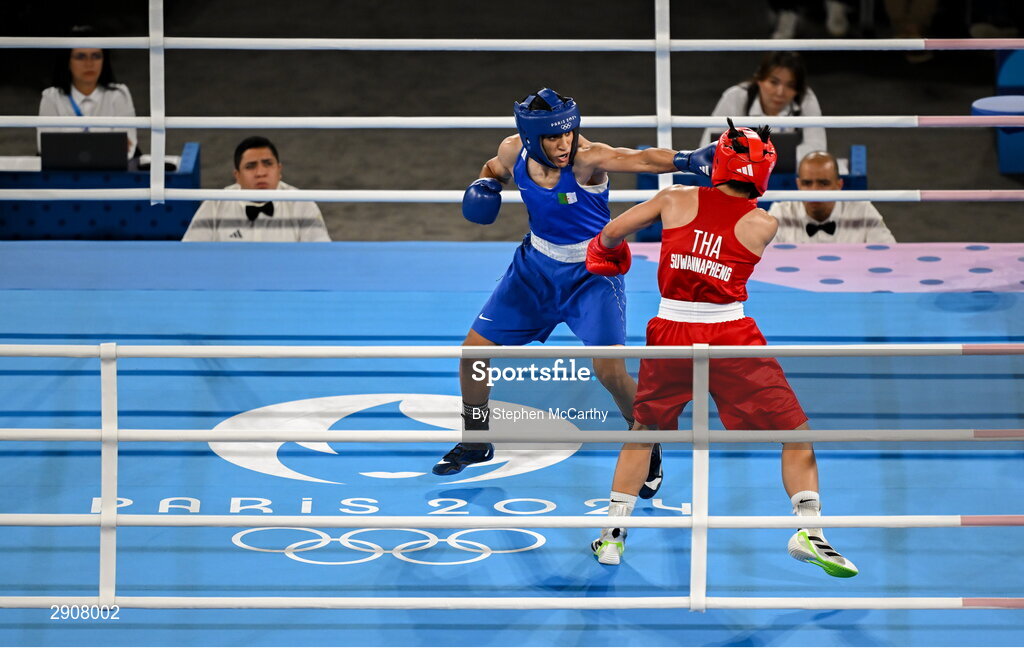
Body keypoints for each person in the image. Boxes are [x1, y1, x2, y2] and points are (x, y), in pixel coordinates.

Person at [585, 119, 857, 578]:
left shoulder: (674, 198)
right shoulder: (763, 223)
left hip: (671, 330)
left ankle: (613, 536)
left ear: (717, 160)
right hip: (730, 335)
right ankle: (811, 529)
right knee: (796, 433)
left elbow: (611, 233)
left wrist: (607, 255)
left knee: (643, 430)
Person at [433, 88, 716, 492]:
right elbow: (494, 167)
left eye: (567, 133)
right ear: (532, 138)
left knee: (611, 372)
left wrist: (686, 160)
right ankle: (476, 439)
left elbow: (638, 158)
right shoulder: (514, 151)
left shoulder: (587, 159)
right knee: (473, 354)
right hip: (533, 272)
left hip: (592, 276)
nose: (564, 144)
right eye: (552, 137)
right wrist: (484, 182)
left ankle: (647, 445)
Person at [182, 136, 330, 242]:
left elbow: (321, 258)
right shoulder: (215, 205)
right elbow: (190, 256)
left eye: (267, 163)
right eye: (250, 166)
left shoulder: (302, 204)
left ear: (279, 170)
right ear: (237, 175)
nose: (260, 173)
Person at [699, 52, 825, 169]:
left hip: (789, 180)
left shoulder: (806, 99)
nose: (780, 92)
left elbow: (817, 151)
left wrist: (760, 162)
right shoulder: (735, 97)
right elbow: (707, 147)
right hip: (737, 179)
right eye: (774, 82)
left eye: (790, 86)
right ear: (759, 78)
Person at [38, 26, 139, 159]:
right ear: (67, 61)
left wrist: (71, 148)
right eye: (81, 56)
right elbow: (47, 150)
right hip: (66, 176)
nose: (89, 63)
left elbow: (127, 150)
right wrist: (107, 147)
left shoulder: (119, 94)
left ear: (104, 60)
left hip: (109, 175)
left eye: (96, 56)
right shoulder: (51, 98)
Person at [769, 151, 896, 244]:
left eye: (823, 183)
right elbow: (763, 266)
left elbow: (890, 256)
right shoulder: (780, 213)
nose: (814, 191)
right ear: (798, 185)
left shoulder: (863, 211)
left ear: (839, 185)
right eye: (807, 183)